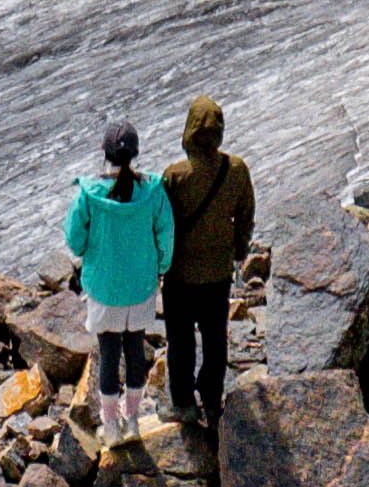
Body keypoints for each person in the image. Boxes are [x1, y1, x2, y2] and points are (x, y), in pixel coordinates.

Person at [62, 120, 173, 436]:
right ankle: (134, 419)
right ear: (135, 153)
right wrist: (160, 267)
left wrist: (89, 252)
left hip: (104, 288)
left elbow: (73, 236)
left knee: (109, 354)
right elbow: (165, 235)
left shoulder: (90, 193)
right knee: (135, 351)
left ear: (105, 154)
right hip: (140, 286)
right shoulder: (152, 190)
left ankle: (111, 425)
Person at [161, 95, 256, 434]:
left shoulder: (174, 176)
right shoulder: (236, 170)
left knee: (181, 342)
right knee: (216, 340)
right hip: (217, 274)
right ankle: (212, 399)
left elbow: (162, 224)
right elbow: (246, 214)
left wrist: (161, 262)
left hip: (180, 277)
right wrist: (239, 248)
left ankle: (184, 404)